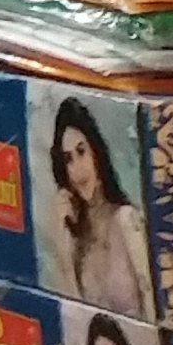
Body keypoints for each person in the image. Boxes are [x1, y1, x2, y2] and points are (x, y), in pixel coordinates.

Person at [41, 102, 156, 315]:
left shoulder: (126, 220)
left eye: (81, 152)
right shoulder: (76, 242)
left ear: (96, 153)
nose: (78, 171)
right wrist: (64, 250)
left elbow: (152, 303)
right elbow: (77, 322)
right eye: (68, 160)